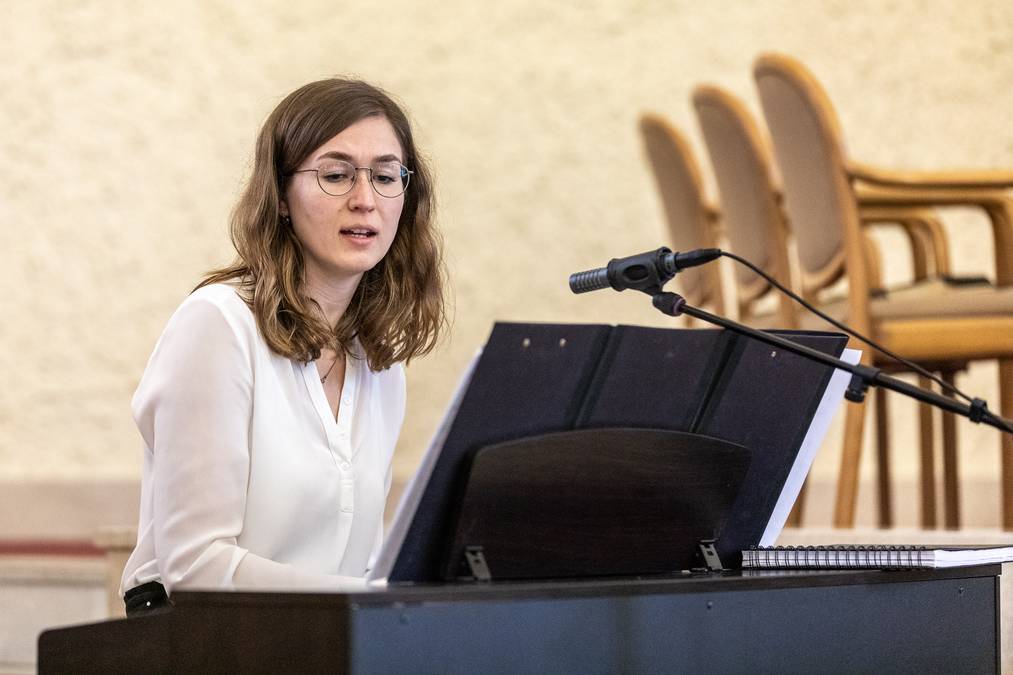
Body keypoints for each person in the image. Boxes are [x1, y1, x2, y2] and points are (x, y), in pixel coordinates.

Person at [120, 78, 446, 616]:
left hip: (329, 642)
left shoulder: (378, 362)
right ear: (280, 197)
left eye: (386, 176)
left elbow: (359, 561)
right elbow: (196, 565)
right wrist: (372, 600)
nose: (365, 200)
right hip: (208, 642)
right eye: (336, 175)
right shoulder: (219, 325)